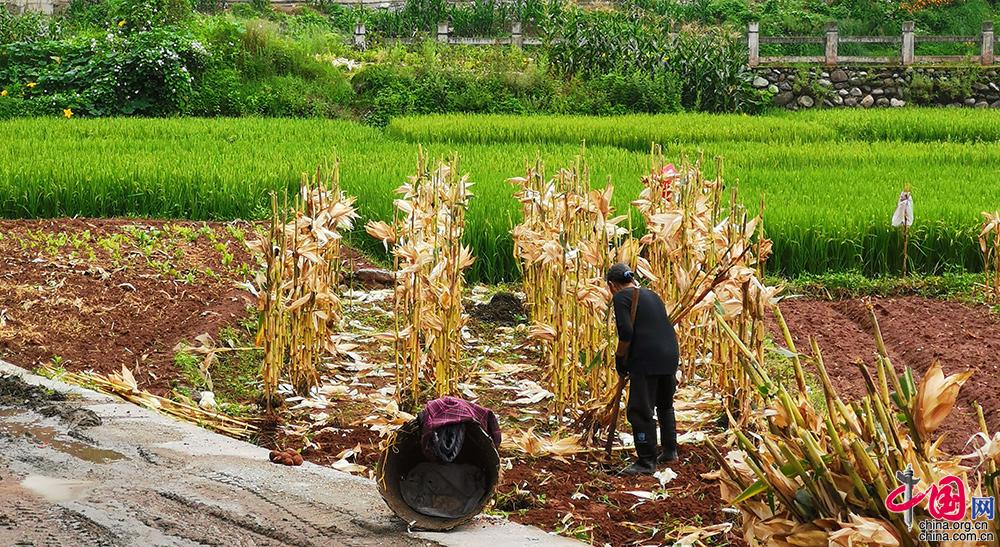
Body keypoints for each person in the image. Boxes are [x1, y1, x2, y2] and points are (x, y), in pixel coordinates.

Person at [606, 263, 680, 475]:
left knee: (639, 411)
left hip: (647, 357)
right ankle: (669, 451)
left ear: (612, 285)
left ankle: (646, 461)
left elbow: (626, 333)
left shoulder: (620, 297)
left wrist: (620, 358)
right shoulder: (652, 294)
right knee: (665, 405)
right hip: (670, 354)